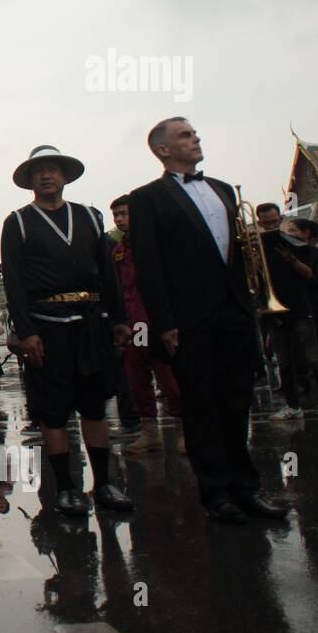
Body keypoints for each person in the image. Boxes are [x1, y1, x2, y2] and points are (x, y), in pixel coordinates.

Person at [129, 118, 288, 522]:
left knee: (238, 401)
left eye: (194, 133)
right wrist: (164, 323)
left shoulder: (220, 189)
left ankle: (247, 488)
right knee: (201, 405)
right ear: (163, 150)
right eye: (185, 135)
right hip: (188, 318)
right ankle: (216, 493)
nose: (196, 138)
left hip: (235, 311)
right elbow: (149, 266)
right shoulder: (146, 198)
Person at [0, 146, 133, 517]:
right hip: (47, 327)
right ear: (29, 180)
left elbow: (108, 273)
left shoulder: (89, 217)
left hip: (92, 322)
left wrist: (119, 318)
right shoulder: (19, 222)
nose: (47, 176)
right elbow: (14, 283)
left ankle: (104, 483)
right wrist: (25, 332)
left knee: (95, 407)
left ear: (65, 176)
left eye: (53, 170)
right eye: (39, 171)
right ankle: (67, 488)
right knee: (54, 413)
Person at [108, 195, 185, 455]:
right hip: (132, 325)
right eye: (116, 215)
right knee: (137, 379)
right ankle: (149, 433)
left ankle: (185, 430)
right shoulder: (118, 251)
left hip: (156, 322)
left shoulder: (156, 244)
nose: (119, 219)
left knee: (168, 377)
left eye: (124, 213)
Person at [257, 207, 318, 420]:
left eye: (274, 221)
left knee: (313, 358)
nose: (271, 226)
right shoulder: (259, 248)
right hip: (274, 314)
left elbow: (315, 278)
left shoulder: (302, 248)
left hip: (301, 308)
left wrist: (291, 259)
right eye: (266, 223)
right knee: (284, 362)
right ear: (260, 223)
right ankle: (293, 406)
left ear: (280, 219)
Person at [279, 217, 318, 420]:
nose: (289, 233)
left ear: (306, 233)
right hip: (303, 310)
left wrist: (293, 262)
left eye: (294, 230)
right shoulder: (283, 254)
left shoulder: (316, 254)